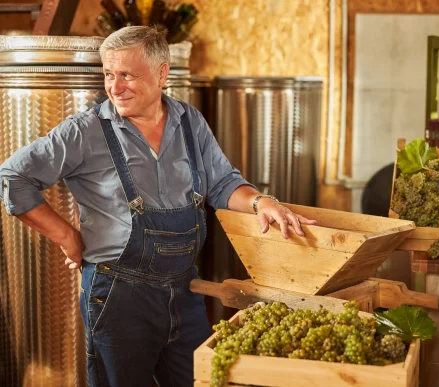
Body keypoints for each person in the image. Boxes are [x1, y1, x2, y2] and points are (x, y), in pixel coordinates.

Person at [0, 26, 316, 387]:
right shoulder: (83, 131)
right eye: (108, 75)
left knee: (199, 381)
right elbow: (13, 177)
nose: (115, 88)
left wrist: (262, 202)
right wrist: (66, 236)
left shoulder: (189, 121)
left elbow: (223, 183)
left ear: (162, 73)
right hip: (119, 298)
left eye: (127, 76)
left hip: (185, 291)